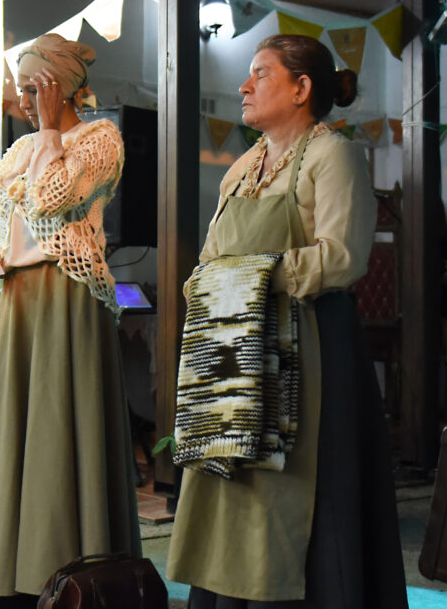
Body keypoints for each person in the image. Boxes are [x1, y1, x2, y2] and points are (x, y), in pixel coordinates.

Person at [165, 34, 407, 608]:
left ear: (302, 88)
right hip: (236, 350)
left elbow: (343, 258)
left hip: (312, 348)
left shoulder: (334, 154)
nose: (245, 87)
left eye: (261, 74)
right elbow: (210, 258)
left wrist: (248, 275)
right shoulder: (243, 166)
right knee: (234, 480)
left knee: (294, 487)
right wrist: (208, 282)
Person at [0, 33, 141, 606]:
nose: (22, 97)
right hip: (21, 296)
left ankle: (71, 565)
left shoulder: (100, 139)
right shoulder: (20, 151)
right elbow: (15, 227)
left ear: (57, 84)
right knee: (21, 425)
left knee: (65, 424)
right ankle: (12, 571)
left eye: (31, 86)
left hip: (69, 297)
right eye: (21, 88)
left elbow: (53, 197)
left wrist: (47, 129)